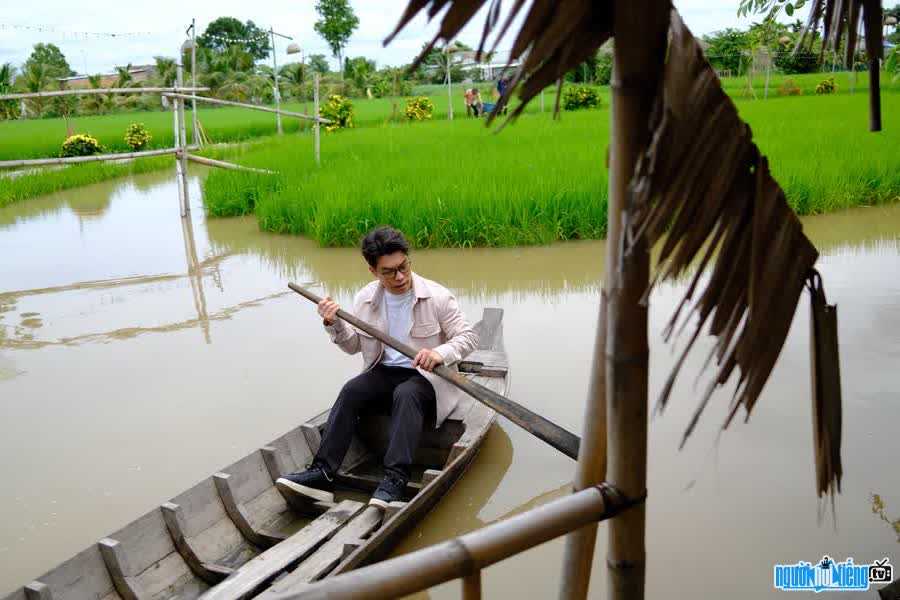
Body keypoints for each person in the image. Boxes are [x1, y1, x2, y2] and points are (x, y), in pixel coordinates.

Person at [277, 226, 478, 508]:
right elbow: (352, 346)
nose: (400, 277)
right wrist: (333, 323)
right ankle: (322, 472)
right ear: (373, 271)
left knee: (406, 394)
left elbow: (468, 337)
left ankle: (395, 479)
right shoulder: (366, 299)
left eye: (403, 267)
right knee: (352, 389)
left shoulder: (437, 296)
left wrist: (439, 352)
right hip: (384, 373)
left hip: (428, 378)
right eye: (389, 272)